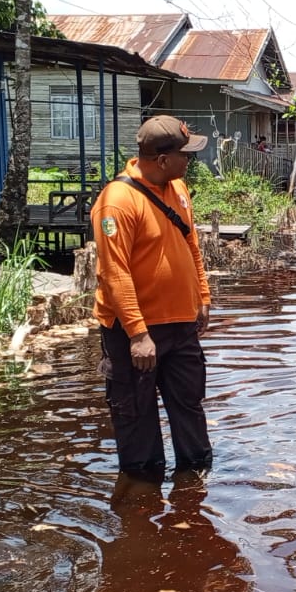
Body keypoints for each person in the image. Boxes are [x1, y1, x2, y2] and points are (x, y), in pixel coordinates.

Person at [91, 114, 213, 482]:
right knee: (136, 417)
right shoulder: (117, 201)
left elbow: (191, 245)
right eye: (185, 155)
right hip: (134, 333)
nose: (190, 161)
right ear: (162, 160)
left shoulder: (178, 190)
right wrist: (138, 333)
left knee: (189, 406)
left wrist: (202, 297)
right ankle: (141, 503)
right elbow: (114, 272)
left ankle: (194, 490)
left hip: (180, 325)